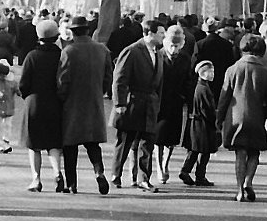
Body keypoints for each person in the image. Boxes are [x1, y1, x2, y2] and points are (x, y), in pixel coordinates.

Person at [217, 33, 267, 202]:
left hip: (235, 117)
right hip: (256, 116)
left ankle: (239, 189)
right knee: (254, 153)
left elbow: (224, 97)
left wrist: (219, 118)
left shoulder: (232, 69)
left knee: (240, 153)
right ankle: (249, 181)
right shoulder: (264, 72)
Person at [56, 15, 113, 194]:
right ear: (88, 30)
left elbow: (63, 80)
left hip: (72, 104)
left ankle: (71, 184)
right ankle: (99, 172)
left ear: (72, 32)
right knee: (92, 143)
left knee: (70, 146)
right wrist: (100, 91)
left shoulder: (68, 51)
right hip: (94, 102)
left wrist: (62, 98)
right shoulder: (102, 50)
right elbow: (108, 77)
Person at [111, 19, 165, 192]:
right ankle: (116, 175)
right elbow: (120, 79)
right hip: (132, 102)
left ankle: (144, 178)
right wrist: (120, 103)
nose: (163, 36)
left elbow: (159, 81)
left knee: (147, 142)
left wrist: (158, 103)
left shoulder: (158, 53)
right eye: (161, 33)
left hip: (150, 104)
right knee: (125, 140)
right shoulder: (132, 51)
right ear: (150, 33)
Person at [18, 19, 66, 192]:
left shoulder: (32, 56)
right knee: (53, 142)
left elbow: (23, 83)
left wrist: (26, 95)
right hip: (55, 103)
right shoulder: (61, 55)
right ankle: (57, 172)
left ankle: (36, 179)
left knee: (34, 144)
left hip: (35, 102)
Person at [154, 25, 194, 185]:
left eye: (176, 46)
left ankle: (165, 162)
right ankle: (159, 165)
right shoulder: (158, 56)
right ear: (165, 43)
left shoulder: (185, 59)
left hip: (176, 102)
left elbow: (188, 80)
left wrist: (187, 99)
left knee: (171, 138)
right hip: (160, 102)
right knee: (159, 137)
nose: (173, 49)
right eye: (171, 45)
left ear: (181, 44)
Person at [178, 61, 219, 187]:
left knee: (195, 150)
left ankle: (186, 171)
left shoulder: (201, 87)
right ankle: (199, 175)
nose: (212, 74)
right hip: (203, 124)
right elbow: (207, 110)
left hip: (197, 123)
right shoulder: (204, 89)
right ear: (202, 73)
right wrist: (215, 120)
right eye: (210, 71)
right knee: (204, 151)